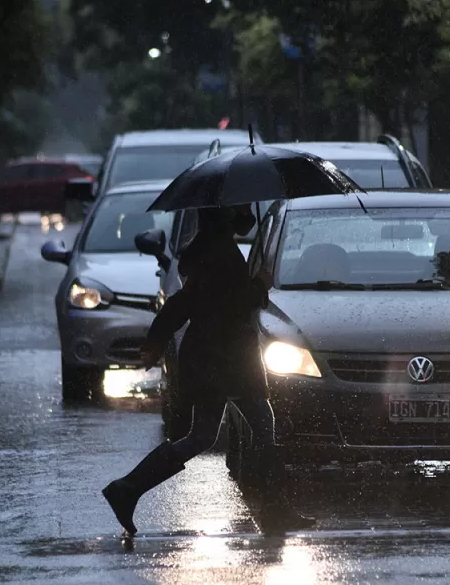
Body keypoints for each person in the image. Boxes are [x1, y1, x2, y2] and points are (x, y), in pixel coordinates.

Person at [101, 204, 314, 536]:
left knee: (203, 436)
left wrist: (155, 340)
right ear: (224, 215)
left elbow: (184, 303)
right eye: (240, 209)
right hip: (227, 359)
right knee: (261, 424)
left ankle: (127, 489)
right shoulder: (220, 252)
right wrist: (259, 285)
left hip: (213, 358)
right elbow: (229, 305)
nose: (246, 214)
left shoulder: (210, 248)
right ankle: (276, 512)